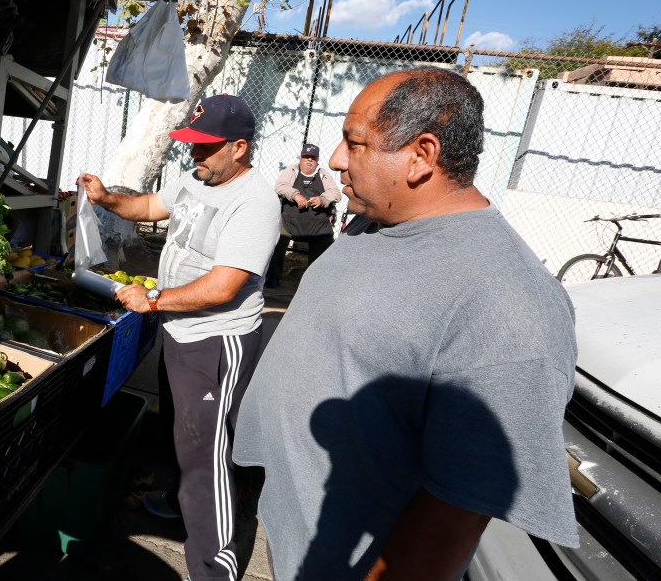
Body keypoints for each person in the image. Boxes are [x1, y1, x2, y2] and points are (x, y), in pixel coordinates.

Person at [232, 68, 579, 581]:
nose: (335, 159)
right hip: (302, 535)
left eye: (356, 143)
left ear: (421, 155)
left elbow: (457, 512)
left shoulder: (508, 297)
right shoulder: (376, 220)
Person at [81, 94, 280, 581]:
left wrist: (153, 300)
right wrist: (107, 198)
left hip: (217, 341)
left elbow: (224, 286)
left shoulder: (254, 203)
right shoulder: (196, 178)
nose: (195, 156)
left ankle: (215, 568)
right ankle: (179, 502)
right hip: (180, 332)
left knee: (206, 458)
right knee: (183, 433)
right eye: (191, 146)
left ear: (239, 148)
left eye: (206, 148)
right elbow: (151, 205)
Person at [264, 143, 342, 288]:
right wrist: (296, 195)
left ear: (317, 160)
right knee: (276, 241)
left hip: (317, 224)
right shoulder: (291, 170)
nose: (309, 160)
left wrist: (323, 199)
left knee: (325, 246)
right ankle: (273, 278)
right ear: (300, 158)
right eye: (306, 157)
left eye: (313, 157)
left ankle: (315, 283)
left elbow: (336, 194)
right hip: (290, 222)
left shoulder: (323, 173)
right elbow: (280, 186)